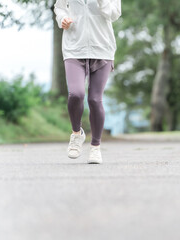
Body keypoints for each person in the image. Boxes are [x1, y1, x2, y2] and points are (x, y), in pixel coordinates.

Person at [53, 0, 121, 164]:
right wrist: (62, 18)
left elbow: (114, 14)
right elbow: (59, 7)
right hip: (74, 48)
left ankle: (95, 147)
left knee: (95, 99)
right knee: (76, 94)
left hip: (102, 48)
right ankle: (76, 134)